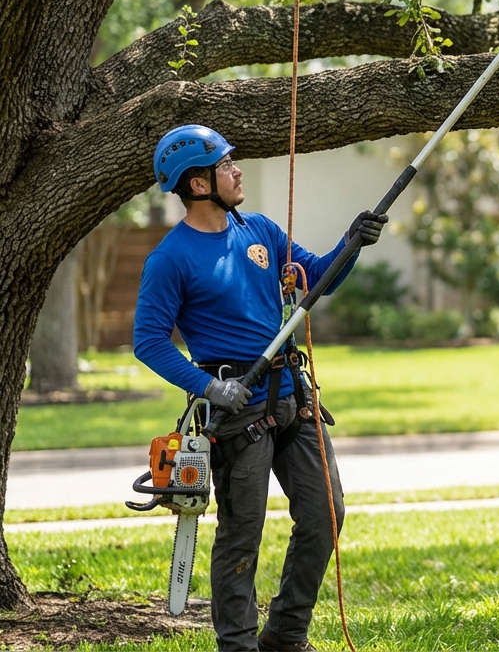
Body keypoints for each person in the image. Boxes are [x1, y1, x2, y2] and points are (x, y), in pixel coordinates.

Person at [134, 124, 388, 651]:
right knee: (241, 534)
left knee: (326, 512)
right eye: (226, 164)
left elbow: (316, 277)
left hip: (291, 391)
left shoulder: (261, 230)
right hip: (236, 409)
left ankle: (286, 634)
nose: (237, 169)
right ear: (199, 184)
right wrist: (207, 387)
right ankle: (239, 646)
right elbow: (149, 342)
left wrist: (352, 243)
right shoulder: (170, 258)